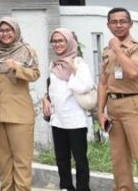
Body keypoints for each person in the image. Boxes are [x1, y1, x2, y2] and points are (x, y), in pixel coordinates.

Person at [97, 7, 138, 191]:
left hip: (134, 105)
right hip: (114, 107)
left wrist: (117, 49)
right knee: (119, 159)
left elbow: (132, 71)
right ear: (108, 25)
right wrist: (100, 112)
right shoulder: (106, 51)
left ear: (131, 24)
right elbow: (103, 83)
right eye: (114, 22)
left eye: (123, 21)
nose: (118, 25)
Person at [0, 18, 40, 191]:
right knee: (3, 161)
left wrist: (17, 68)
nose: (5, 34)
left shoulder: (26, 50)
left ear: (16, 31)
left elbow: (35, 74)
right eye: (1, 30)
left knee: (22, 161)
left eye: (9, 30)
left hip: (19, 114)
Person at [42, 28, 93, 191]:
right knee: (62, 159)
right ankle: (66, 187)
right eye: (54, 41)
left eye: (61, 40)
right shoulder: (54, 64)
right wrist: (45, 99)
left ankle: (83, 188)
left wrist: (73, 68)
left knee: (80, 159)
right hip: (58, 120)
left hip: (75, 119)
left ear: (69, 42)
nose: (57, 44)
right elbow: (52, 88)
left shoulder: (78, 63)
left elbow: (85, 86)